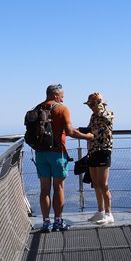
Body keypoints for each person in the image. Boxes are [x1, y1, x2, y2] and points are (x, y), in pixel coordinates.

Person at [35, 84, 92, 232]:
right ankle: (58, 222)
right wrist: (88, 136)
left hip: (40, 153)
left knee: (44, 190)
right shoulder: (62, 109)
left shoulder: (37, 108)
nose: (63, 98)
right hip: (57, 153)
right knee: (59, 187)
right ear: (55, 95)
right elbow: (70, 131)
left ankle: (46, 223)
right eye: (62, 95)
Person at [83, 92, 115, 225]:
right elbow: (90, 130)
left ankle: (109, 214)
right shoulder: (93, 116)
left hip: (103, 151)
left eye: (92, 104)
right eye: (89, 104)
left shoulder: (109, 114)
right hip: (93, 151)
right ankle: (100, 211)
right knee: (96, 184)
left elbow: (106, 118)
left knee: (103, 184)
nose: (90, 106)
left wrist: (100, 104)